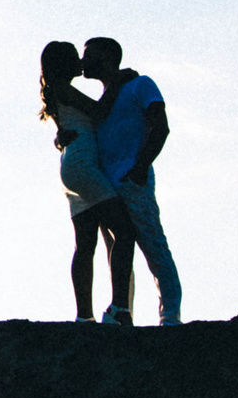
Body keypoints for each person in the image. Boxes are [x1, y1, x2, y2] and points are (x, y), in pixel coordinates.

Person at [83, 36, 182, 326]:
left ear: (109, 56)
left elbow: (160, 126)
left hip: (131, 182)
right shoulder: (101, 103)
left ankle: (170, 317)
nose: (83, 61)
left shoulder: (141, 85)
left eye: (90, 54)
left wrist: (140, 168)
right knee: (117, 255)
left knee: (153, 247)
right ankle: (124, 314)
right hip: (105, 188)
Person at [40, 40, 137, 323]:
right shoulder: (64, 89)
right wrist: (118, 81)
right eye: (75, 57)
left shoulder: (58, 91)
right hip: (83, 167)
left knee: (85, 243)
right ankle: (119, 307)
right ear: (64, 63)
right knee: (124, 230)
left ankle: (85, 317)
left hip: (74, 168)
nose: (81, 62)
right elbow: (98, 113)